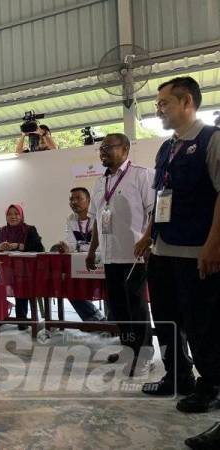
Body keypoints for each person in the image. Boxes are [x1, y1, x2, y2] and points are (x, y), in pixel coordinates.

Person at [131, 77, 220, 429]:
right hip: (164, 250)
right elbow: (160, 196)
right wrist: (148, 234)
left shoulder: (211, 140)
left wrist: (213, 245)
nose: (159, 109)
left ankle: (211, 384)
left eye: (164, 103)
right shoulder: (167, 148)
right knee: (167, 318)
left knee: (203, 324)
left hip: (197, 251)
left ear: (187, 102)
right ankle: (177, 375)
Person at [86, 133, 155, 377]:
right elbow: (96, 219)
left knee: (136, 306)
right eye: (101, 148)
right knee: (119, 307)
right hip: (110, 256)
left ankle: (144, 354)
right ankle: (129, 349)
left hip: (134, 255)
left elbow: (154, 213)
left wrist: (147, 241)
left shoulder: (141, 175)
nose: (103, 151)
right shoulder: (98, 183)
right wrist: (93, 249)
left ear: (125, 149)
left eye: (108, 147)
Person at [0, 204, 44, 329]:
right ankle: (0, 316)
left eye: (16, 214)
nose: (13, 217)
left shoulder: (29, 230)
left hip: (24, 270)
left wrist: (18, 246)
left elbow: (39, 248)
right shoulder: (1, 231)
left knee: (21, 284)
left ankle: (21, 320)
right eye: (9, 214)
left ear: (21, 215)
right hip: (5, 270)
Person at [56, 187, 106, 322]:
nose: (74, 202)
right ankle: (92, 317)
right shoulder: (71, 219)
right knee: (68, 286)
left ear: (89, 201)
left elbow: (103, 244)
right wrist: (67, 248)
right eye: (71, 199)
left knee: (111, 287)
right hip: (80, 263)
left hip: (102, 262)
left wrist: (80, 247)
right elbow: (71, 244)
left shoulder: (99, 217)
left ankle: (114, 323)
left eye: (79, 198)